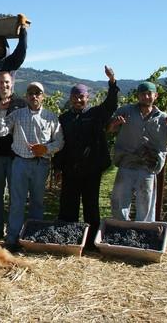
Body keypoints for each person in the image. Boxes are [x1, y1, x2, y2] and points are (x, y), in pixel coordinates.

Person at [53, 66, 118, 247]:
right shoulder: (64, 118)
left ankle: (91, 243)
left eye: (81, 97)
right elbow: (60, 144)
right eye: (75, 97)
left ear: (87, 98)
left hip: (91, 170)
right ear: (70, 98)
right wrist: (57, 167)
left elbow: (111, 104)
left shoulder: (96, 114)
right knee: (68, 206)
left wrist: (112, 81)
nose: (78, 100)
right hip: (70, 170)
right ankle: (69, 238)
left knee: (91, 206)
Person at [0, 82, 64, 250]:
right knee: (17, 202)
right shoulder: (17, 115)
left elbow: (60, 141)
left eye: (37, 93)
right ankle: (12, 238)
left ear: (43, 96)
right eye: (31, 93)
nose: (34, 96)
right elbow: (0, 131)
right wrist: (2, 111)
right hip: (20, 163)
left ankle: (33, 237)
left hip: (41, 164)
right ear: (26, 96)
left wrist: (46, 148)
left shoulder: (51, 117)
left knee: (37, 202)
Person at [108, 82, 167, 222]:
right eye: (143, 94)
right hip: (126, 164)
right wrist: (114, 124)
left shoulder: (164, 118)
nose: (146, 96)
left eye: (149, 93)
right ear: (138, 96)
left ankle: (142, 233)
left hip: (148, 167)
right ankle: (120, 230)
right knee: (119, 201)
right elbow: (110, 129)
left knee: (145, 204)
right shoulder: (125, 111)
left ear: (156, 96)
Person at [0, 71, 28, 239]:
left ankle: (14, 232)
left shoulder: (21, 103)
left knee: (15, 195)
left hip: (15, 157)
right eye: (1, 82)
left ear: (12, 83)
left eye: (7, 82)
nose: (4, 85)